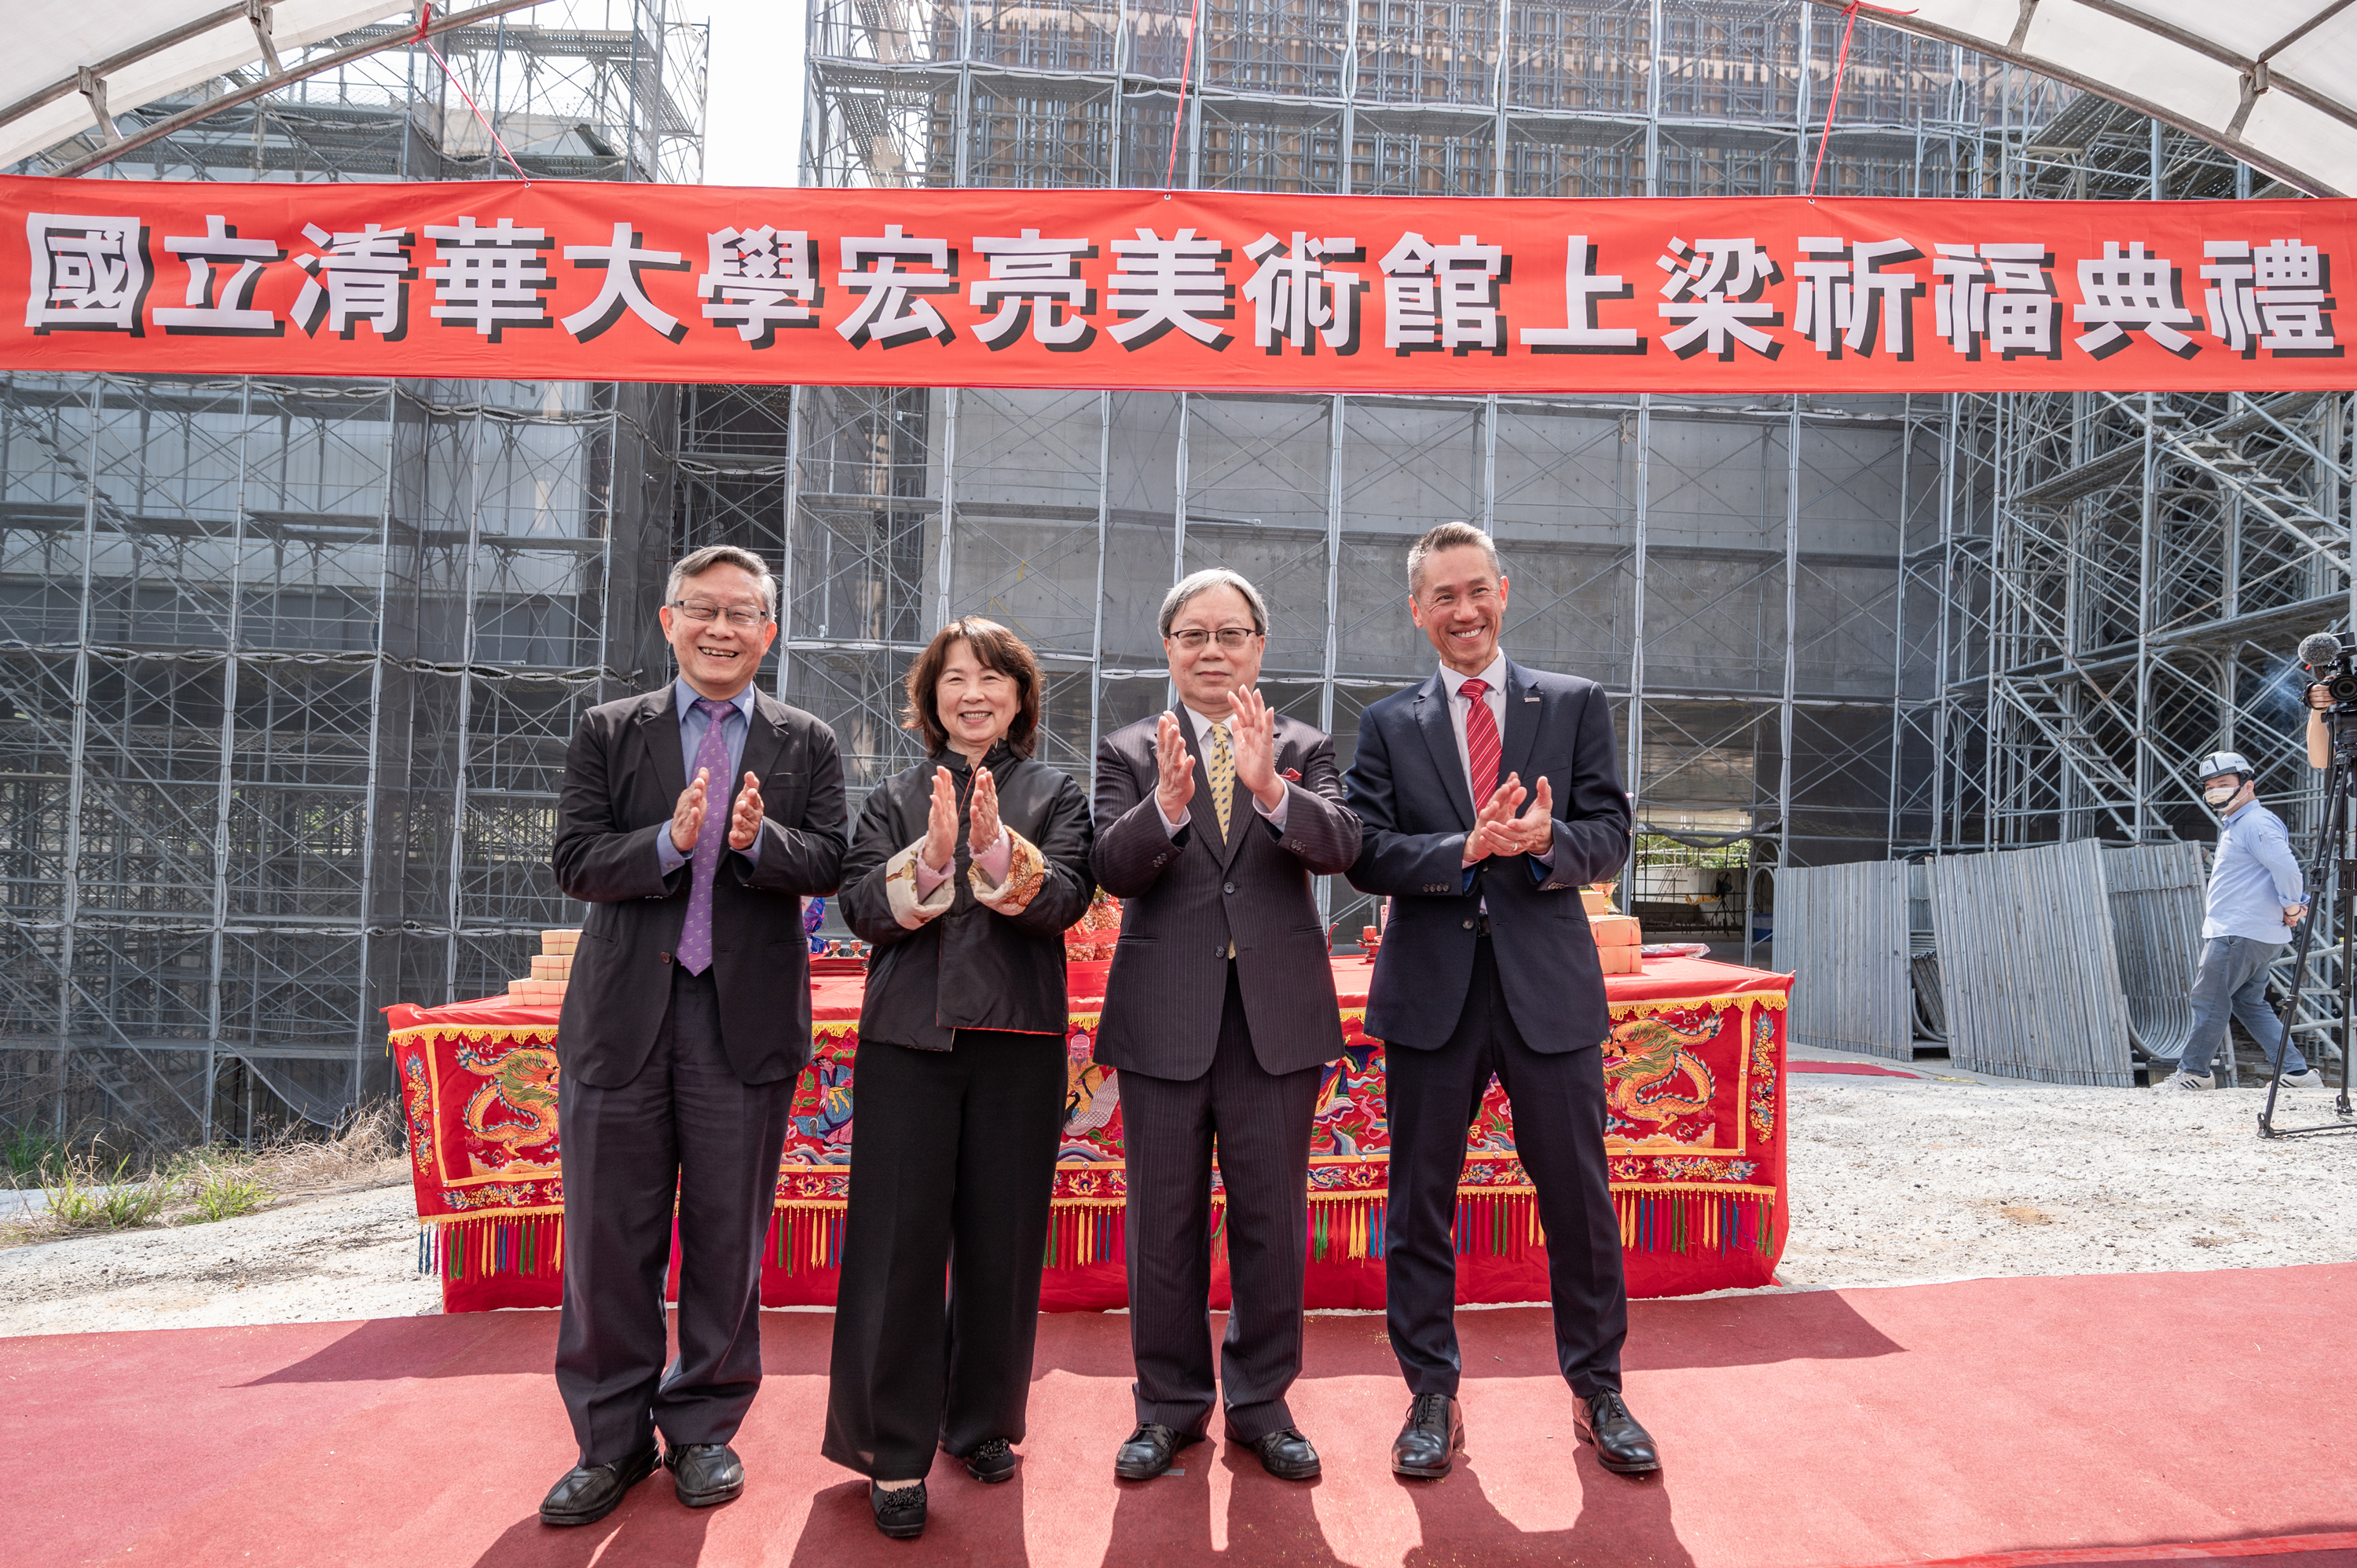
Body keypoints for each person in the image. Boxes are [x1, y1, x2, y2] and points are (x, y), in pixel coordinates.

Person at [1343, 520, 1657, 1481]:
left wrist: (1546, 846)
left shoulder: (1571, 704)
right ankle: (1430, 1392)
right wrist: (1463, 850)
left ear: (1505, 591)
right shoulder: (1390, 725)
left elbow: (1612, 831)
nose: (1463, 610)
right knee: (1419, 1204)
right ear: (1417, 612)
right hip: (1433, 994)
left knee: (1579, 1198)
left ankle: (1599, 1386)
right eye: (1442, 596)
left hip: (1547, 993)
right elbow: (1362, 850)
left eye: (1476, 590)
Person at [541, 545, 847, 1526]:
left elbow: (834, 862)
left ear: (769, 631)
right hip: (624, 1020)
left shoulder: (807, 741)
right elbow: (575, 860)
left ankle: (706, 1426)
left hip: (742, 1024)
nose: (721, 629)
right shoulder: (607, 731)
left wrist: (761, 842)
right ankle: (610, 1441)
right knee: (605, 1239)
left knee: (727, 1236)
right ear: (667, 620)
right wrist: (670, 842)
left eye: (742, 613)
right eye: (701, 610)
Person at [1089, 568, 1363, 1484]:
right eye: (1194, 635)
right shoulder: (1128, 747)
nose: (1213, 650)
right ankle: (1167, 1408)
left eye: (1232, 633)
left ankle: (1262, 1403)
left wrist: (1271, 791)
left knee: (1271, 1222)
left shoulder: (1302, 743)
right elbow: (1113, 870)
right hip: (1164, 1020)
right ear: (1167, 648)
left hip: (1274, 1022)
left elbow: (1342, 848)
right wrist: (1166, 807)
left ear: (1259, 646)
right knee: (1161, 1224)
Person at [824, 617, 1095, 1539]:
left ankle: (980, 1421)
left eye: (990, 677)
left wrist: (991, 852)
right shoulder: (895, 795)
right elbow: (861, 909)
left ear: (1019, 696)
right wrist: (932, 855)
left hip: (1020, 1041)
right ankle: (893, 1451)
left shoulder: (1058, 792)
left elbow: (1064, 900)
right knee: (897, 1249)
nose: (970, 693)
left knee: (1003, 1243)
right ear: (930, 697)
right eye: (952, 679)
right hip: (908, 1042)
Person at [2159, 750, 2323, 1090]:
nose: (2214, 791)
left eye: (2223, 784)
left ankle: (2194, 1074)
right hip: (2252, 932)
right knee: (2249, 1002)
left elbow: (2286, 867)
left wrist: (2293, 907)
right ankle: (2296, 1073)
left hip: (2238, 932)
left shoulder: (2254, 823)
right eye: (2209, 786)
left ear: (2247, 786)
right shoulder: (2242, 823)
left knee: (2208, 998)